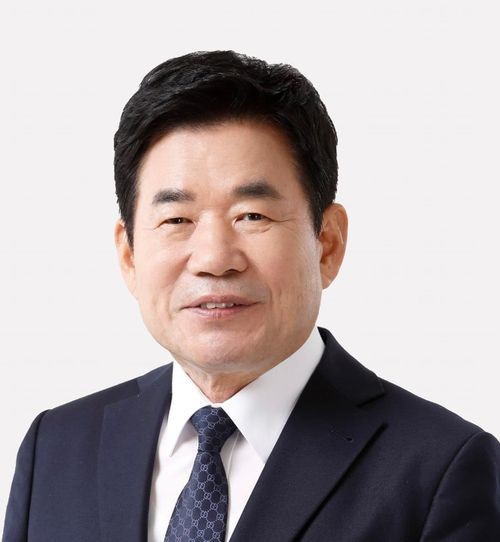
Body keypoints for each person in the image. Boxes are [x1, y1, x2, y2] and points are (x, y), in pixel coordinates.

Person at [3, 50, 499, 542]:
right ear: (129, 255)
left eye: (252, 216)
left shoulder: (441, 470)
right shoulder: (57, 447)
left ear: (327, 244)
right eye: (176, 219)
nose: (214, 258)